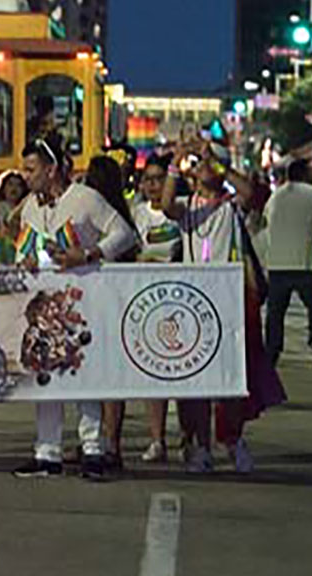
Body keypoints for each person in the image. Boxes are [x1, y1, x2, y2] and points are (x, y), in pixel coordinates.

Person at [11, 139, 136, 481]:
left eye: (31, 169)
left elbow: (124, 234)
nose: (25, 176)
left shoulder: (85, 199)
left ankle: (92, 449)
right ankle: (46, 451)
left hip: (84, 302)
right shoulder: (30, 208)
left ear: (51, 169)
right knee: (45, 372)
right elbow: (24, 248)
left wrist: (88, 254)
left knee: (85, 373)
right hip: (43, 307)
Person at [159, 139, 285, 474]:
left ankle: (232, 439)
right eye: (198, 165)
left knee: (233, 376)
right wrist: (176, 162)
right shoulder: (189, 206)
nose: (202, 168)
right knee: (195, 378)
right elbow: (165, 204)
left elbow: (257, 196)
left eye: (206, 164)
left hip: (232, 298)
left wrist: (218, 163)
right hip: (193, 300)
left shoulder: (232, 206)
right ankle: (199, 445)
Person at [121, 154, 184, 464]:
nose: (153, 185)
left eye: (159, 179)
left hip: (178, 299)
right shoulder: (136, 215)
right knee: (153, 375)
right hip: (146, 300)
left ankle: (193, 438)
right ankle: (157, 439)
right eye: (148, 179)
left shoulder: (180, 210)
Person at [81, 156, 140, 471]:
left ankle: (98, 442)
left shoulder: (93, 210)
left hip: (95, 302)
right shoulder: (123, 213)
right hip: (118, 303)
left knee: (96, 377)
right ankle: (110, 443)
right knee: (113, 379)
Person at [263, 159, 312, 367]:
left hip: (276, 264)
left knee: (275, 313)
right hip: (305, 263)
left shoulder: (276, 195)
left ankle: (272, 351)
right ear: (306, 174)